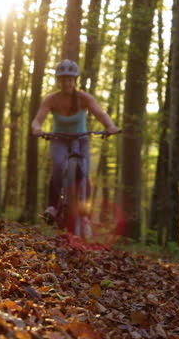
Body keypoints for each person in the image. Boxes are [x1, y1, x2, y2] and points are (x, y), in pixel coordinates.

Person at [31, 59, 120, 232]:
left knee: (84, 172)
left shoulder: (84, 98)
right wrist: (36, 128)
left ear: (75, 80)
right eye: (64, 79)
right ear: (59, 81)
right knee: (58, 165)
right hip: (59, 138)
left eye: (70, 79)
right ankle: (52, 207)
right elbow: (38, 118)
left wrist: (110, 126)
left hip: (80, 139)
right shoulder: (52, 99)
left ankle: (85, 216)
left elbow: (100, 114)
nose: (67, 83)